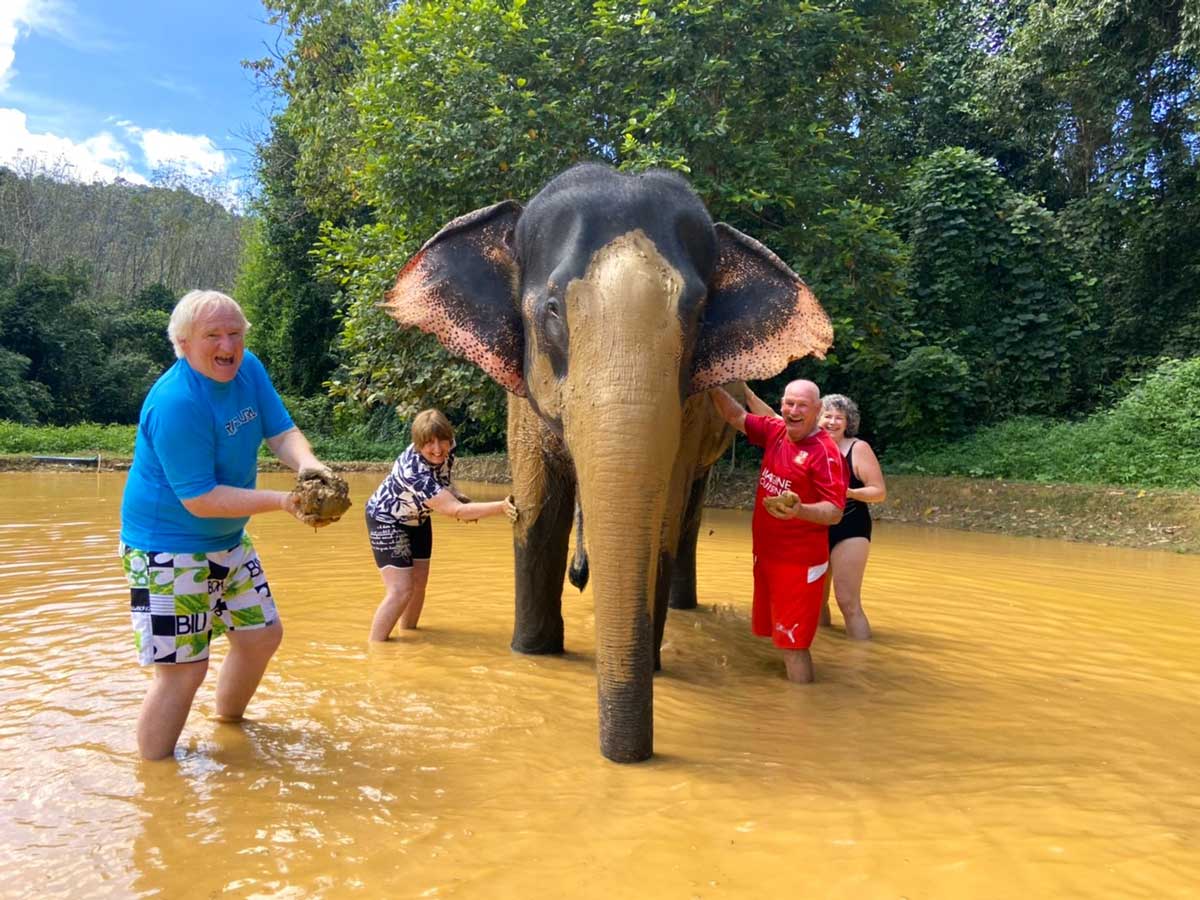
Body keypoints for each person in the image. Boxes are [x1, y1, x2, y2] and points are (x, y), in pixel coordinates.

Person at [118, 289, 338, 761]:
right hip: (167, 549)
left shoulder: (248, 369)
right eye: (213, 335)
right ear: (183, 343)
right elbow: (200, 498)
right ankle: (155, 785)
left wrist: (308, 466)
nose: (227, 346)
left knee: (261, 636)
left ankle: (228, 727)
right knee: (182, 672)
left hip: (228, 539)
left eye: (235, 333)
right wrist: (285, 501)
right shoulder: (176, 403)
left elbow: (280, 431)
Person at [710, 381, 846, 683]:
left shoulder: (825, 453)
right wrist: (710, 385)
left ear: (818, 410)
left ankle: (801, 719)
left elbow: (835, 512)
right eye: (789, 404)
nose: (794, 411)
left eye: (802, 406)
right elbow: (736, 417)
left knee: (794, 647)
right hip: (768, 555)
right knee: (778, 636)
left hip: (799, 564)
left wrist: (801, 510)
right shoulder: (776, 431)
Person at [365, 409, 517, 640]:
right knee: (400, 590)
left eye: (442, 441)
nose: (438, 449)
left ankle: (409, 637)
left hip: (419, 517)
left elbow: (444, 479)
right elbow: (455, 511)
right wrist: (503, 506)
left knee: (418, 584)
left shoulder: (450, 447)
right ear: (418, 445)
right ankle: (376, 649)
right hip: (387, 519)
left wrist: (455, 493)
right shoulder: (414, 472)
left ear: (449, 438)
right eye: (429, 444)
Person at [818, 394, 886, 639]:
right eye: (827, 416)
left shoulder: (858, 448)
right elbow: (773, 421)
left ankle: (863, 662)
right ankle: (829, 650)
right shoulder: (809, 444)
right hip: (815, 526)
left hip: (850, 527)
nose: (833, 422)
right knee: (815, 601)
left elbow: (878, 492)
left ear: (848, 423)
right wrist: (748, 395)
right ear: (817, 418)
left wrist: (849, 492)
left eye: (840, 418)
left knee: (847, 601)